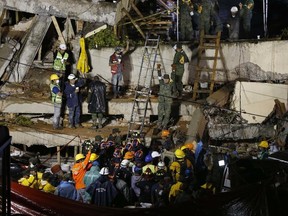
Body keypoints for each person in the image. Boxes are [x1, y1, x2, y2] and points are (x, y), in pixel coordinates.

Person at [157, 65, 175, 130]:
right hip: (161, 101)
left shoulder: (170, 84)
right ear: (163, 79)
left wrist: (173, 70)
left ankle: (164, 125)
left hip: (168, 102)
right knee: (160, 113)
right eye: (165, 79)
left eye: (167, 79)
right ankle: (159, 124)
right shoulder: (161, 83)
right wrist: (159, 69)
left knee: (167, 114)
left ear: (168, 79)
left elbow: (173, 77)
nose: (166, 80)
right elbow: (159, 76)